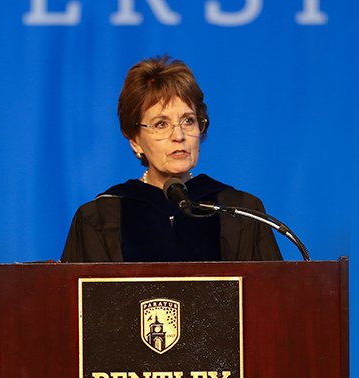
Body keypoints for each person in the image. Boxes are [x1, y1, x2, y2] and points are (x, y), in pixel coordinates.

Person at [61, 55, 282, 262]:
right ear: (135, 139)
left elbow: (269, 298)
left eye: (188, 120)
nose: (179, 136)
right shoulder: (100, 218)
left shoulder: (239, 212)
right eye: (161, 124)